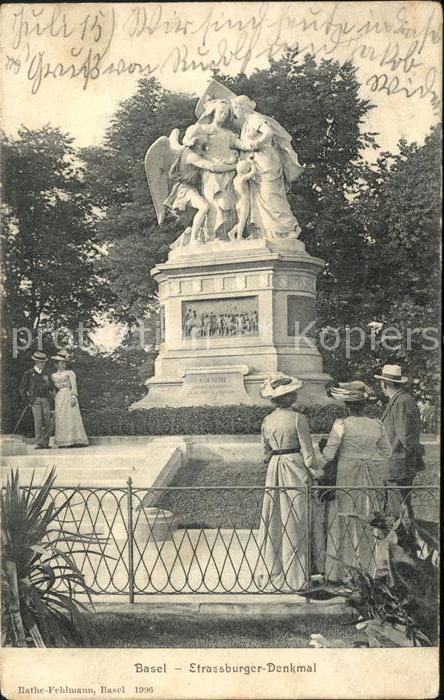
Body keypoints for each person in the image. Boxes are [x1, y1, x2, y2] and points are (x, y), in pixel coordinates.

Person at [254, 372, 323, 592]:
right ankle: (297, 576)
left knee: (276, 516)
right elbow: (308, 454)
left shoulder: (267, 420)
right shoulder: (297, 419)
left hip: (275, 467)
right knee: (296, 517)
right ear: (290, 398)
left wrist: (273, 459)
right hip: (294, 466)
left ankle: (276, 569)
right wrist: (316, 472)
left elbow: (265, 452)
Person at [318, 381, 393, 582]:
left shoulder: (341, 425)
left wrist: (316, 460)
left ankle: (342, 572)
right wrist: (369, 458)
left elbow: (328, 455)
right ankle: (371, 568)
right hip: (370, 474)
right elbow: (387, 452)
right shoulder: (376, 424)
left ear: (347, 405)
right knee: (369, 516)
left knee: (345, 517)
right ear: (364, 405)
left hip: (347, 473)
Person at [231, 94, 304, 239]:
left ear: (242, 107)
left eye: (235, 108)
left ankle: (286, 230)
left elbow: (268, 132)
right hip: (258, 161)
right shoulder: (247, 122)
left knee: (270, 195)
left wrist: (256, 144)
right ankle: (265, 233)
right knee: (261, 196)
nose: (234, 112)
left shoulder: (254, 118)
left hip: (265, 161)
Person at [165, 124, 236, 246]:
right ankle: (193, 240)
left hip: (192, 188)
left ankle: (189, 237)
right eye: (204, 134)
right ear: (197, 139)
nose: (207, 136)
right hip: (184, 190)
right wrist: (234, 167)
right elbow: (211, 167)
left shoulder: (193, 151)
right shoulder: (191, 156)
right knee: (204, 207)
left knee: (200, 213)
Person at [375, 364, 424, 516]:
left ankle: (405, 538)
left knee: (399, 511)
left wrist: (413, 458)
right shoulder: (400, 399)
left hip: (398, 466)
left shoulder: (401, 401)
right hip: (397, 465)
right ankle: (404, 536)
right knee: (398, 508)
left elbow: (406, 437)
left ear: (386, 383)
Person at [197, 98, 238, 239]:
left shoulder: (228, 133)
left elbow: (240, 144)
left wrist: (253, 144)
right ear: (213, 112)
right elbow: (193, 146)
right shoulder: (205, 130)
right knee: (215, 205)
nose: (223, 115)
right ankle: (213, 237)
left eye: (226, 113)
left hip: (229, 173)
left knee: (229, 206)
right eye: (221, 112)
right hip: (212, 173)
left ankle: (224, 234)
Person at [51, 350, 88, 448]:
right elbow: (53, 388)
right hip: (59, 397)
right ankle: (63, 441)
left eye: (64, 363)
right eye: (60, 363)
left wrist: (73, 397)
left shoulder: (70, 373)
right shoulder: (53, 375)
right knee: (61, 418)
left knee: (71, 417)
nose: (62, 365)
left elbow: (74, 386)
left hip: (68, 395)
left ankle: (74, 440)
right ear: (56, 364)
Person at [19, 351, 54, 449]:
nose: (43, 364)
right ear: (36, 362)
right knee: (38, 421)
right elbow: (22, 388)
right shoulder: (29, 373)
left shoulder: (46, 373)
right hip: (35, 400)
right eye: (41, 362)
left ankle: (46, 443)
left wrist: (47, 383)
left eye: (44, 362)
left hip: (46, 400)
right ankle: (39, 443)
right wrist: (28, 400)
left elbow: (51, 387)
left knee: (47, 421)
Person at [227, 159, 257, 241]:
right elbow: (253, 172)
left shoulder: (235, 179)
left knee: (241, 220)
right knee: (243, 220)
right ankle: (239, 236)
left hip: (238, 203)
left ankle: (232, 232)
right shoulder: (243, 179)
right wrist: (252, 163)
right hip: (244, 202)